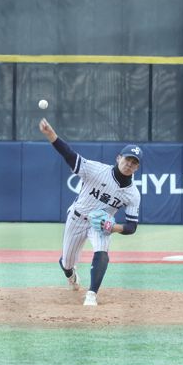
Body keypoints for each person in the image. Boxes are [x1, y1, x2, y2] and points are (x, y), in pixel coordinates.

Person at [38, 118, 142, 306]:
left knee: (102, 250)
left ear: (137, 167)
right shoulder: (96, 170)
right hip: (77, 218)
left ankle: (92, 294)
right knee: (67, 263)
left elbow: (132, 226)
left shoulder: (133, 194)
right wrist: (51, 135)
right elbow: (69, 155)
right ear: (119, 158)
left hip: (102, 224)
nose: (129, 164)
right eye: (128, 159)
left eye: (134, 163)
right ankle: (70, 274)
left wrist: (113, 227)